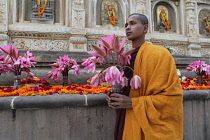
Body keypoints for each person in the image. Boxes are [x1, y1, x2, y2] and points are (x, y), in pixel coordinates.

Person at [106, 13, 183, 140]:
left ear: (145, 28)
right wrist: (112, 96)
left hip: (149, 124)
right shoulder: (123, 57)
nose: (127, 28)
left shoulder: (159, 54)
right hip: (126, 119)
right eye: (126, 25)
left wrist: (133, 103)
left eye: (132, 23)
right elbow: (125, 88)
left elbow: (173, 97)